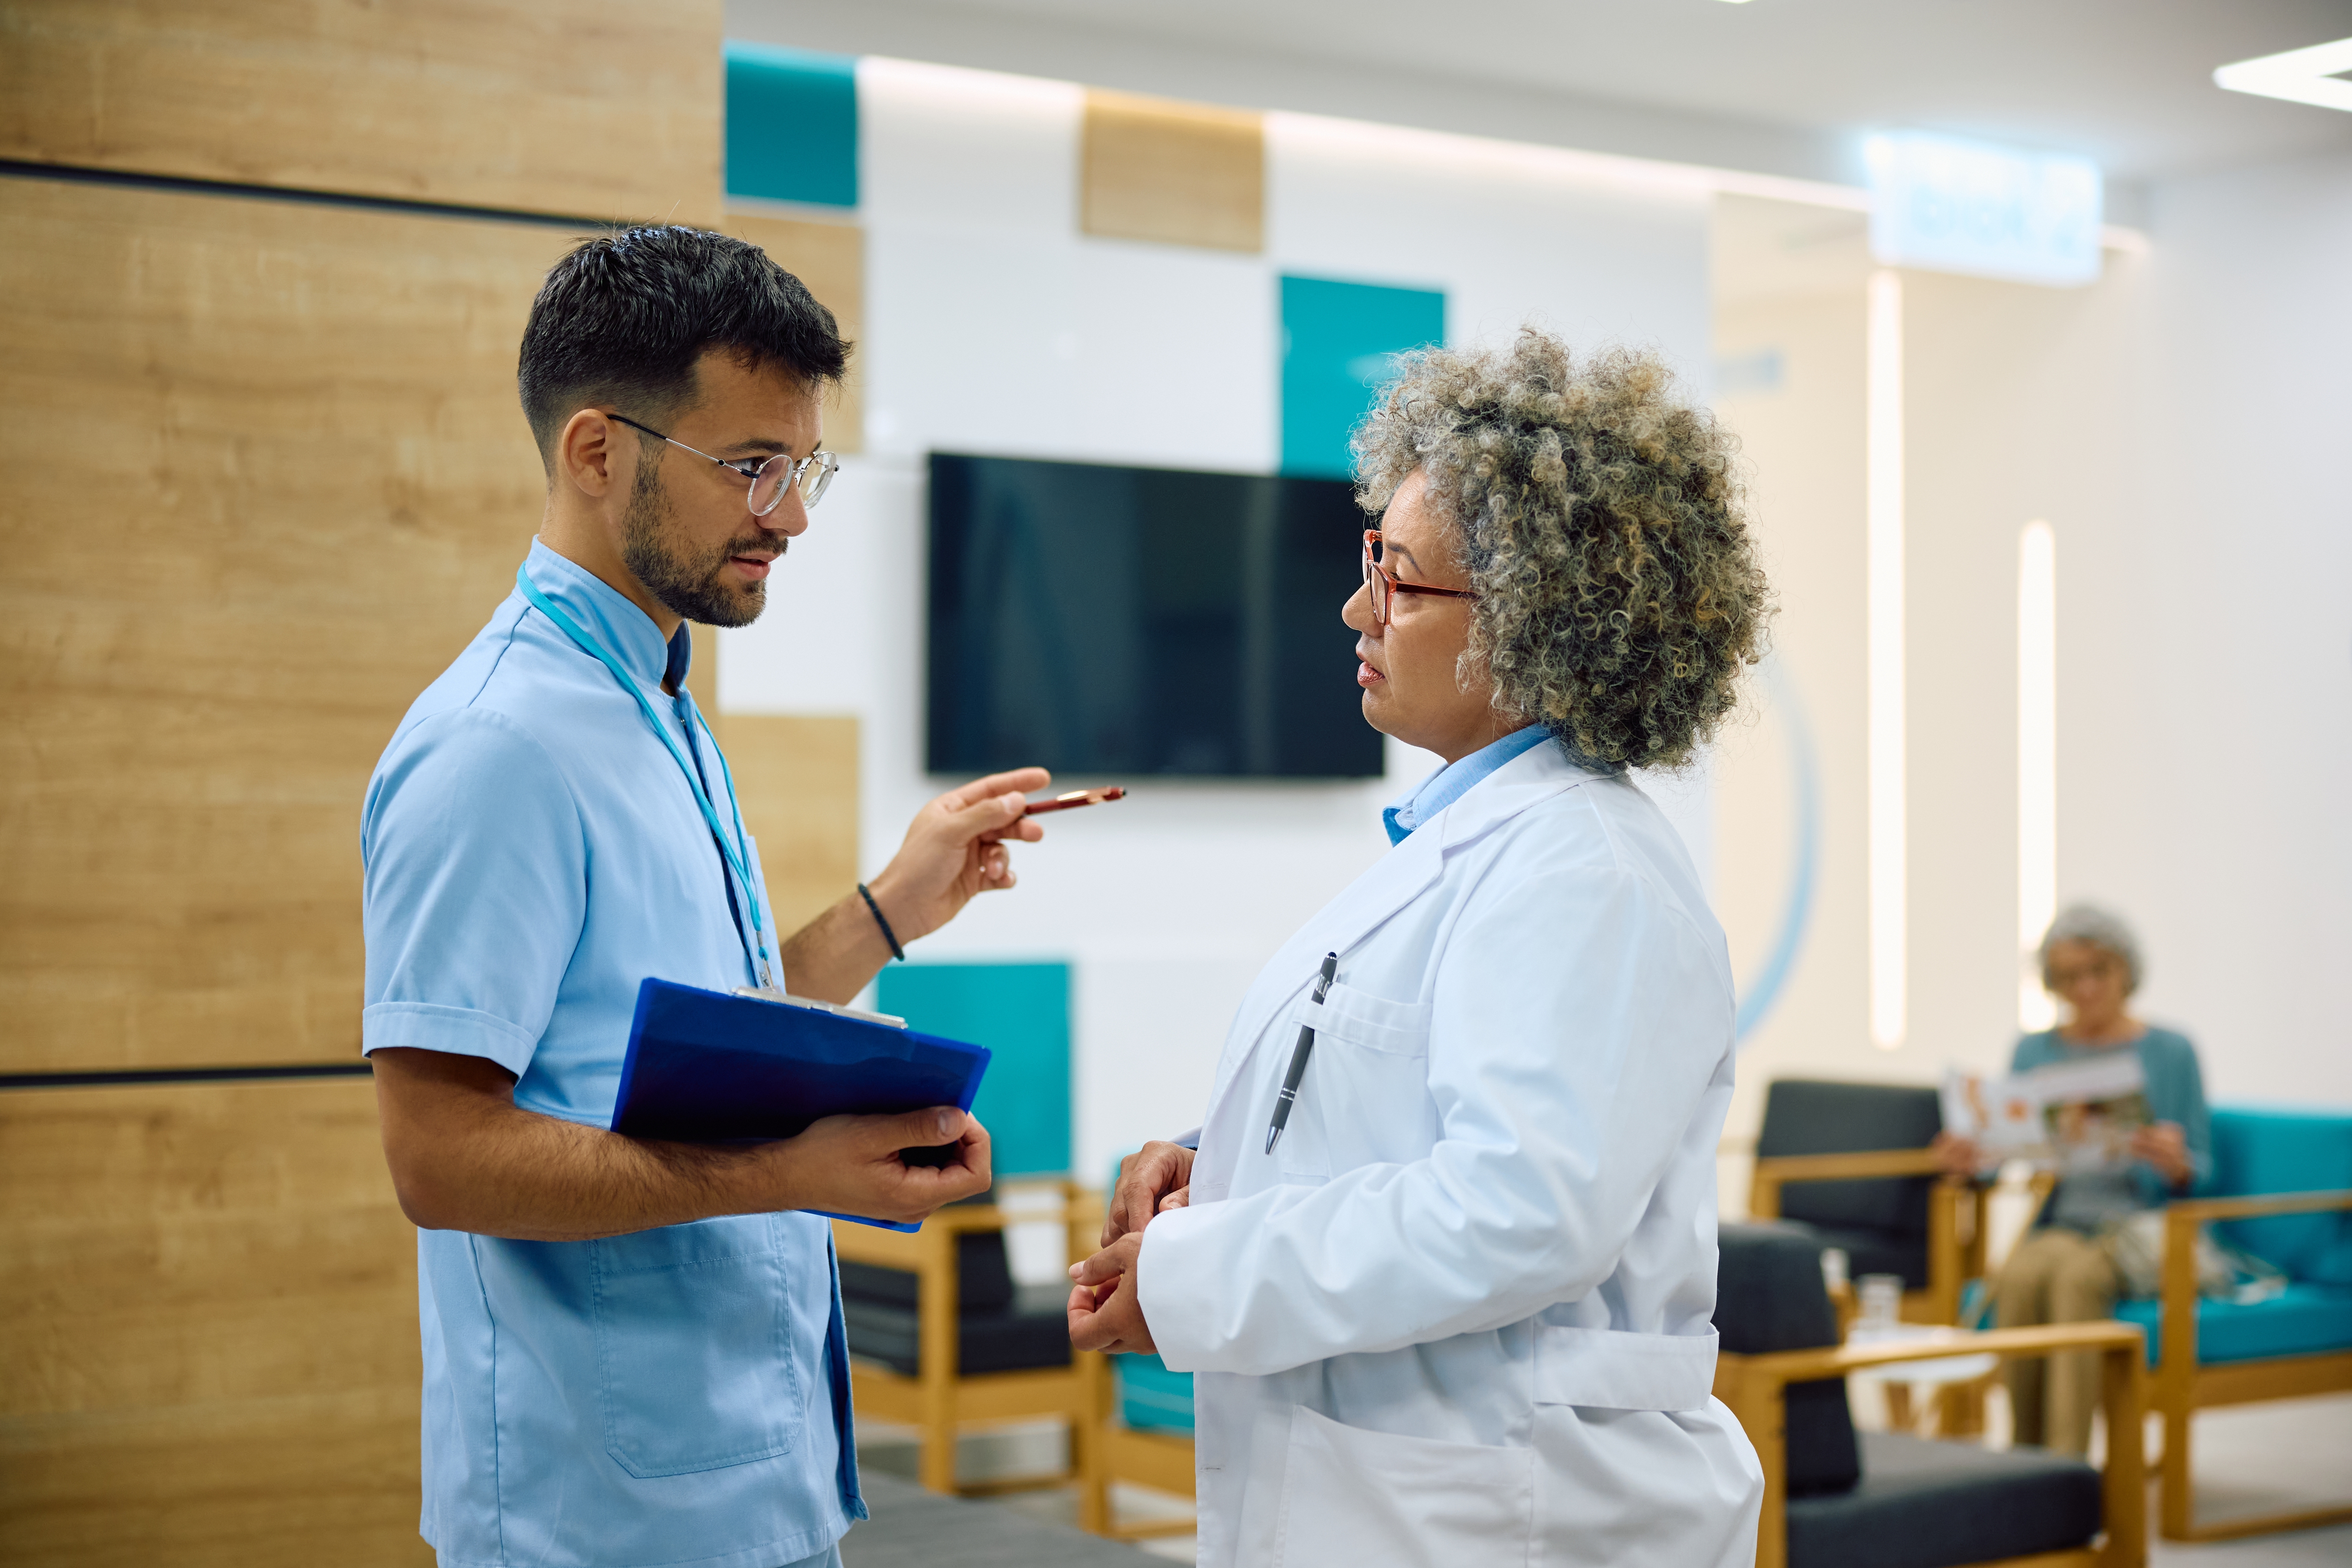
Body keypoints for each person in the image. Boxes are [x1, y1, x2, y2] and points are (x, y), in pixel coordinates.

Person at [363, 227, 1054, 1568]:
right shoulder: (497, 745)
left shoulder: (659, 701)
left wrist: (890, 910)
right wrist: (790, 1172)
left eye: (800, 467)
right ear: (596, 451)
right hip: (602, 1523)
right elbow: (436, 1155)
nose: (790, 515)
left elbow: (694, 1043)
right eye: (750, 468)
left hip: (749, 1487)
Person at [1068, 333, 1773, 1566]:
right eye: (1368, 561)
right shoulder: (1482, 845)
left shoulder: (1585, 873)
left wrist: (1193, 1271)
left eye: (1397, 577)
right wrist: (1214, 1163)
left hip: (1507, 1505)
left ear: (1533, 620)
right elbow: (1403, 1111)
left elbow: (1516, 1211)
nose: (1356, 607)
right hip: (1409, 1489)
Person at [1934, 904, 2210, 1454]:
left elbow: (2203, 1169)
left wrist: (2175, 1162)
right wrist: (1973, 1155)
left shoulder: (2170, 1050)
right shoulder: (2034, 1049)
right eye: (2067, 977)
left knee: (2074, 1281)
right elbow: (2012, 1148)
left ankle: (2067, 1465)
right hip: (2063, 1221)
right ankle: (2024, 1461)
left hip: (2139, 1227)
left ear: (2125, 971)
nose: (2084, 988)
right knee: (2019, 1277)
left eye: (2097, 971)